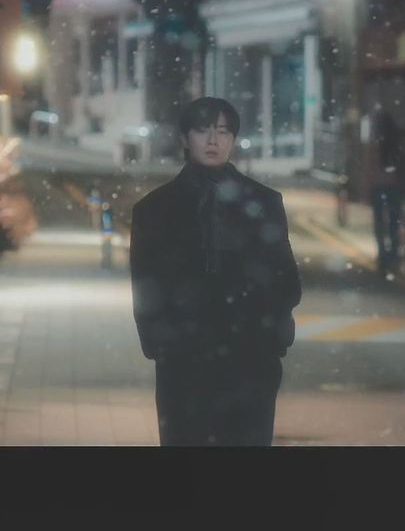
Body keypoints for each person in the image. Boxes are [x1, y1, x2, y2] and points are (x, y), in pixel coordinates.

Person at [129, 97, 302, 446]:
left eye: (223, 131)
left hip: (250, 361)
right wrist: (162, 345)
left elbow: (285, 281)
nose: (213, 140)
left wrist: (272, 342)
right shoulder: (155, 209)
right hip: (183, 363)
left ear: (233, 139)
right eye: (203, 130)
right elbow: (146, 286)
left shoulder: (263, 202)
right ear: (184, 138)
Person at [368, 111, 405, 275]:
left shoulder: (376, 145)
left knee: (379, 223)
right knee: (393, 223)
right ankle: (394, 255)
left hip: (378, 187)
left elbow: (370, 168)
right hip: (394, 188)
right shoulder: (396, 145)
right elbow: (402, 169)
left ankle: (382, 255)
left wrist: (367, 187)